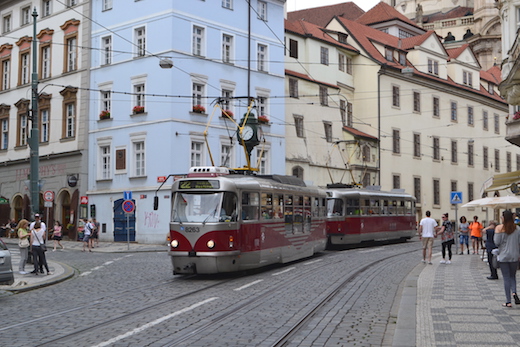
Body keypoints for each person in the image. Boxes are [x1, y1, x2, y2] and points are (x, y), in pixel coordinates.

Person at [494, 210, 520, 307]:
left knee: (506, 278)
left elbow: (496, 242)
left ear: (504, 218)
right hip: (514, 255)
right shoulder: (517, 229)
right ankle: (514, 292)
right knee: (513, 276)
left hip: (503, 256)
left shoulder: (499, 228)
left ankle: (508, 301)